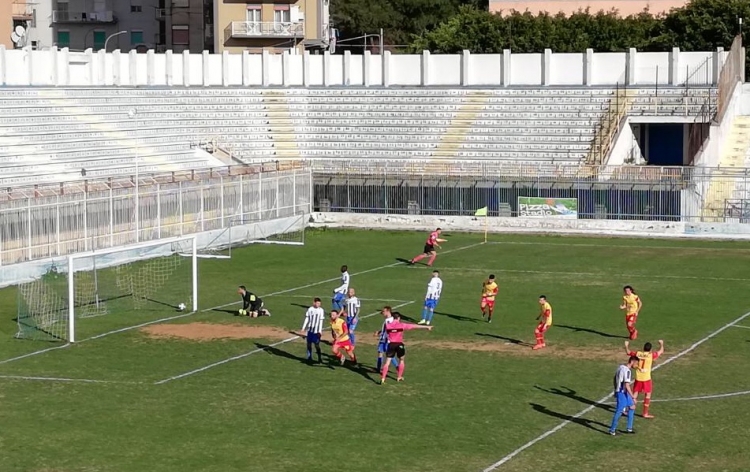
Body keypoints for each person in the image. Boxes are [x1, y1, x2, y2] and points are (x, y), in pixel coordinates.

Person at [379, 308, 433, 384]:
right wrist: (427, 327)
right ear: (398, 318)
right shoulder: (402, 325)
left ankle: (383, 378)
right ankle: (399, 376)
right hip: (399, 344)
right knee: (401, 360)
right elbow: (414, 326)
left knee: (387, 362)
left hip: (391, 344)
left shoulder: (388, 325)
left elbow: (384, 332)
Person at [625, 339, 665, 418]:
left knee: (635, 395)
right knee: (648, 395)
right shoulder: (651, 355)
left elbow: (628, 352)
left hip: (638, 378)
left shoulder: (638, 354)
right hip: (646, 379)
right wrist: (661, 344)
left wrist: (626, 345)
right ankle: (645, 413)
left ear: (643, 348)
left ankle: (627, 410)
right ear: (650, 349)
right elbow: (661, 351)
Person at [609, 355, 639, 436]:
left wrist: (615, 388)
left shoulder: (621, 367)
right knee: (619, 411)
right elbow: (627, 385)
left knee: (632, 406)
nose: (636, 366)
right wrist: (633, 396)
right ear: (632, 361)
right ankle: (612, 430)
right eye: (636, 364)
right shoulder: (627, 371)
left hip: (622, 392)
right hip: (622, 393)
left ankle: (629, 428)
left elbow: (614, 378)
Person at [301, 297, 326, 363]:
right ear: (314, 302)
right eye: (317, 303)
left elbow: (321, 321)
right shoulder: (310, 309)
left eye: (319, 303)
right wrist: (303, 328)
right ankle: (309, 357)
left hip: (317, 331)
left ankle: (319, 357)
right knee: (309, 344)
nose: (318, 305)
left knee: (316, 345)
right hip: (310, 330)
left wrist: (320, 331)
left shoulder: (321, 310)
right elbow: (307, 319)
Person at [376, 307, 400, 371]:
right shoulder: (387, 319)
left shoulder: (390, 320)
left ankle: (398, 367)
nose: (382, 313)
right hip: (383, 339)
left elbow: (391, 330)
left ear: (388, 311)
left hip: (387, 340)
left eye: (383, 311)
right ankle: (378, 369)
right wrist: (379, 332)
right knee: (380, 352)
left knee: (389, 355)